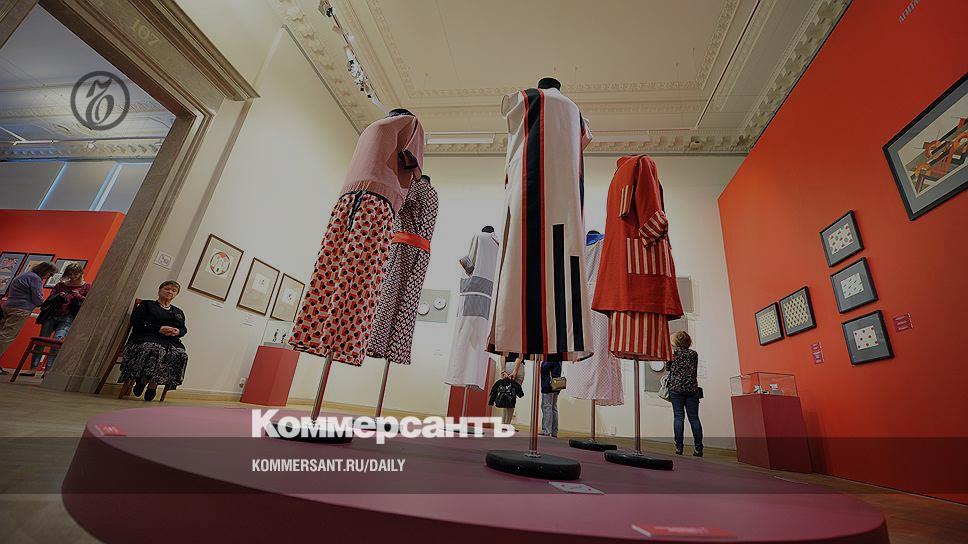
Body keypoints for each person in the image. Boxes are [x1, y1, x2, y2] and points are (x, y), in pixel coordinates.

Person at [118, 280, 188, 401]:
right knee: (156, 350)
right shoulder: (147, 305)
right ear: (159, 290)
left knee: (181, 354)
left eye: (173, 290)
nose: (170, 292)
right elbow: (136, 321)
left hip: (169, 341)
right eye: (167, 289)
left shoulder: (178, 312)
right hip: (145, 337)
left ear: (176, 294)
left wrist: (177, 332)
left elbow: (183, 329)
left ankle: (151, 384)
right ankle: (143, 380)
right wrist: (159, 328)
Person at [23, 262, 91, 376]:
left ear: (81, 273)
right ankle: (33, 368)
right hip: (52, 315)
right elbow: (50, 299)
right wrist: (60, 295)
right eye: (70, 274)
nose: (72, 277)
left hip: (68, 317)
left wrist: (78, 296)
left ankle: (48, 370)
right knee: (41, 341)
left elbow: (88, 302)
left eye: (75, 274)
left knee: (57, 342)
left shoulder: (86, 286)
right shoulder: (60, 285)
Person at [0, 262, 58, 373]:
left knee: (2, 333)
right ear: (45, 270)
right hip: (21, 309)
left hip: (8, 306)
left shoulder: (24, 275)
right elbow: (38, 299)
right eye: (50, 274)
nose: (49, 276)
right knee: (6, 337)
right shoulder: (35, 278)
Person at [666, 331, 703, 456]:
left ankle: (679, 448)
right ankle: (698, 448)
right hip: (692, 389)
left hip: (676, 388)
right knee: (694, 418)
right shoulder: (693, 354)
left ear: (676, 341)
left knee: (678, 417)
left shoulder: (673, 354)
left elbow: (668, 368)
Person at [500, 355, 526, 427]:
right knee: (512, 397)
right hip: (517, 366)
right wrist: (515, 371)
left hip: (507, 366)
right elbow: (520, 355)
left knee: (505, 395)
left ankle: (503, 424)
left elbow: (502, 355)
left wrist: (503, 370)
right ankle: (507, 424)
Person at [539, 358, 562, 437]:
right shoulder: (559, 357)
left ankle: (547, 430)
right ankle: (554, 431)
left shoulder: (550, 357)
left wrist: (542, 362)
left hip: (548, 385)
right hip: (556, 384)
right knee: (553, 408)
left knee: (547, 407)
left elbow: (544, 367)